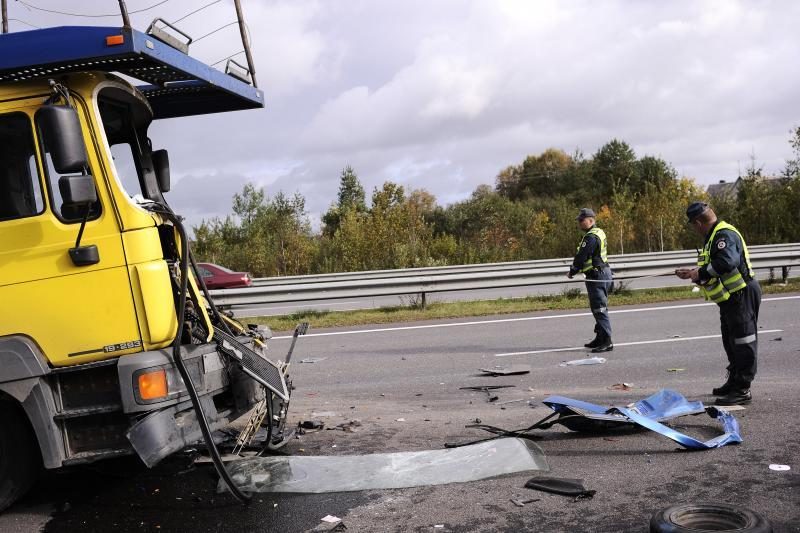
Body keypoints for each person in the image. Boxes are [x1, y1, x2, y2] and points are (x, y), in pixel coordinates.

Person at [675, 202, 761, 406]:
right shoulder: (713, 236)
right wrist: (693, 273)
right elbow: (713, 265)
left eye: (692, 225)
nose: (694, 229)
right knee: (731, 341)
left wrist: (701, 273)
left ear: (697, 222)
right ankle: (734, 380)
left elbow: (726, 262)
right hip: (729, 298)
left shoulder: (723, 235)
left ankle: (742, 389)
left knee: (743, 342)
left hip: (741, 294)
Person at [567, 208, 613, 353]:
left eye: (582, 220)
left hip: (597, 276)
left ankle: (607, 341)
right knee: (598, 308)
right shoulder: (599, 232)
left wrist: (572, 271)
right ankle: (599, 338)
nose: (580, 223)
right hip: (603, 273)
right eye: (579, 220)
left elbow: (582, 256)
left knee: (599, 309)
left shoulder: (591, 237)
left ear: (591, 220)